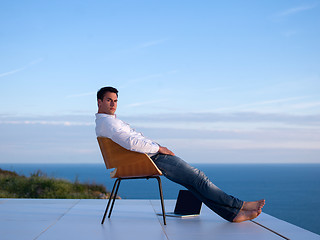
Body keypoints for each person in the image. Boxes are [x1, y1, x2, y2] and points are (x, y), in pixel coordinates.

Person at [95, 86, 265, 222]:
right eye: (109, 100)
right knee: (199, 178)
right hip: (151, 158)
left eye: (115, 101)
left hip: (147, 157)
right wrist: (159, 148)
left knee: (193, 183)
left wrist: (157, 146)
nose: (113, 104)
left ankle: (232, 215)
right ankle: (240, 205)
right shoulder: (108, 124)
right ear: (99, 102)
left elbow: (131, 142)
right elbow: (132, 143)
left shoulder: (108, 122)